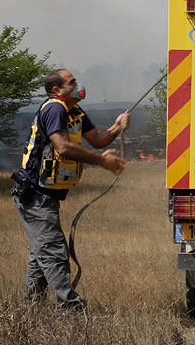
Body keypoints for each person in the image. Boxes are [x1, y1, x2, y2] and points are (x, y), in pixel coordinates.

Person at [11, 69, 130, 310]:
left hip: (47, 196)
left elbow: (96, 139)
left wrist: (117, 127)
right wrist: (101, 160)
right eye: (72, 82)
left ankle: (32, 309)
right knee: (54, 253)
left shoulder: (74, 110)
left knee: (40, 255)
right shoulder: (54, 108)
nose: (79, 85)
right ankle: (72, 309)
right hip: (35, 195)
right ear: (57, 90)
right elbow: (63, 147)